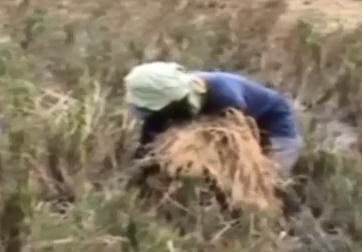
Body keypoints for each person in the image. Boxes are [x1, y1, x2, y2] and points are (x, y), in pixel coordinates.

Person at [124, 61, 304, 176]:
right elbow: (148, 144)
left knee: (269, 178)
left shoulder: (225, 97)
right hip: (234, 120)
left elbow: (236, 148)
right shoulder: (164, 104)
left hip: (271, 123)